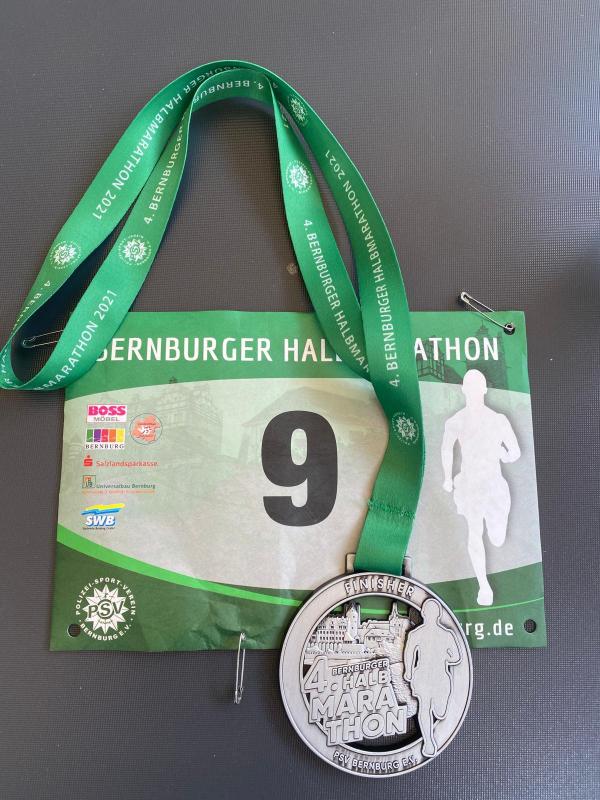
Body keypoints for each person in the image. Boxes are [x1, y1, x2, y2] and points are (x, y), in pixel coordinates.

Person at [441, 369, 520, 606]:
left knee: (497, 538)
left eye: (478, 387)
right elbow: (446, 449)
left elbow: (515, 452)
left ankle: (498, 528)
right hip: (471, 485)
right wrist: (447, 477)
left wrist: (504, 455)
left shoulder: (498, 420)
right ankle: (484, 586)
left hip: (495, 485)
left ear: (484, 389)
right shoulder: (456, 421)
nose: (474, 391)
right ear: (464, 390)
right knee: (474, 532)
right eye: (470, 387)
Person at [403, 598, 461, 758]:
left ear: (424, 613)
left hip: (439, 677)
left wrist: (409, 671)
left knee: (440, 712)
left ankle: (439, 712)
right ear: (438, 614)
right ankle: (428, 742)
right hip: (424, 676)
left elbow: (457, 657)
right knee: (425, 707)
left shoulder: (445, 634)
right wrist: (408, 672)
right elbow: (409, 653)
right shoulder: (418, 634)